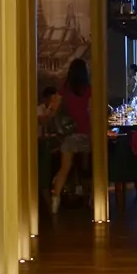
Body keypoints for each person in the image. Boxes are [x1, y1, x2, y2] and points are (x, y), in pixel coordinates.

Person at [49, 58, 92, 214]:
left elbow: (53, 109)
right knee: (92, 168)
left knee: (64, 169)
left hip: (70, 137)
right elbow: (94, 110)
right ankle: (91, 197)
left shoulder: (64, 89)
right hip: (87, 136)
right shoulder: (88, 89)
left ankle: (55, 201)